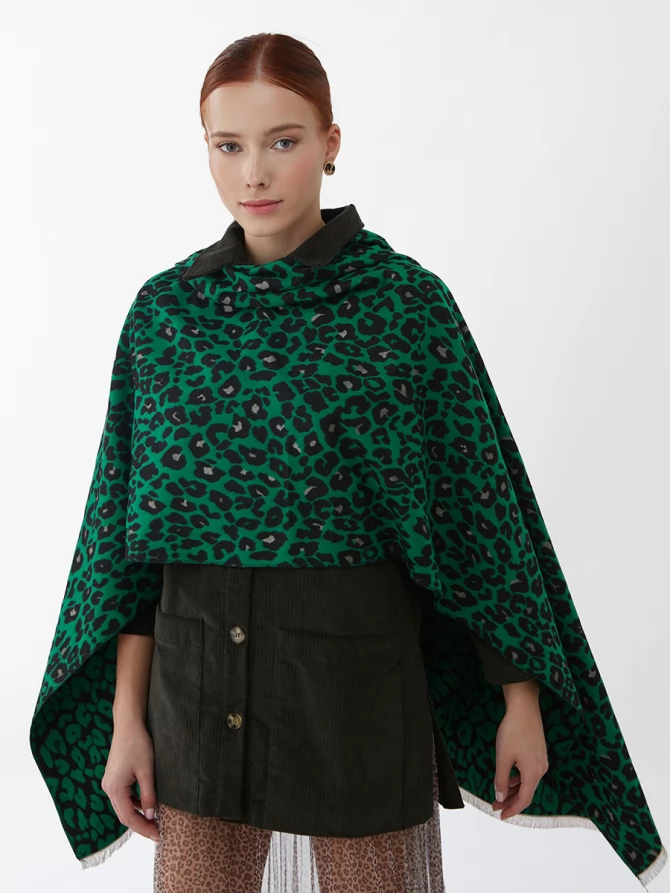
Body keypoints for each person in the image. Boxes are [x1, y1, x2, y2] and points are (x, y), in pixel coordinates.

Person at [29, 31, 667, 893]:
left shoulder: (405, 307)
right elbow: (130, 550)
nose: (255, 172)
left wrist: (522, 701)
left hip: (355, 704)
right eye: (229, 145)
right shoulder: (166, 317)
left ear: (331, 143)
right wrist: (124, 720)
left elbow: (479, 511)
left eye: (283, 141)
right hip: (195, 701)